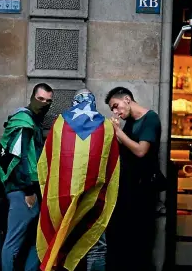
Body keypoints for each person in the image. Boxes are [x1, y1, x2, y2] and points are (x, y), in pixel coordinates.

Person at [36, 89, 120, 271]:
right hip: (93, 197)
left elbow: (46, 160)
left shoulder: (60, 122)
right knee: (94, 242)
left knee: (63, 239)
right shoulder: (105, 126)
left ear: (74, 102)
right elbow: (112, 163)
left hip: (63, 196)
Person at [104, 86, 162, 271]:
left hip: (142, 189)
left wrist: (118, 132)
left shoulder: (150, 119)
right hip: (128, 187)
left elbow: (140, 150)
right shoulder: (129, 121)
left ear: (127, 99)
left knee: (139, 237)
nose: (116, 111)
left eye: (116, 105)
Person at [0, 83, 54, 271]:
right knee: (14, 240)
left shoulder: (31, 121)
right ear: (32, 97)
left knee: (34, 239)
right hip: (22, 189)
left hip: (27, 187)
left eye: (48, 101)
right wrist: (28, 190)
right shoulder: (24, 121)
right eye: (40, 99)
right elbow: (19, 157)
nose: (44, 104)